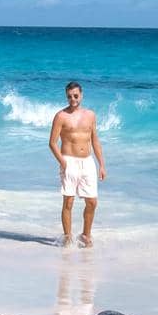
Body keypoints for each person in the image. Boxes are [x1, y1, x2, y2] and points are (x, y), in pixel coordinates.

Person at [49, 80, 106, 246]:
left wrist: (101, 164)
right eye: (69, 96)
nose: (72, 99)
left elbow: (95, 140)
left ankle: (85, 236)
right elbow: (52, 143)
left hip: (87, 162)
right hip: (69, 161)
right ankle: (67, 237)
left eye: (75, 96)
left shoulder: (90, 115)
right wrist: (63, 162)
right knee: (69, 202)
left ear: (81, 95)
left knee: (92, 201)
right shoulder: (61, 116)